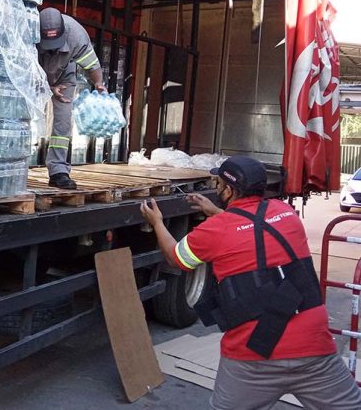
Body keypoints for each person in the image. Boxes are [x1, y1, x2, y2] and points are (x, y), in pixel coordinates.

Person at [139, 155, 361, 409]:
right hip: (314, 348)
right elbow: (253, 224)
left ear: (229, 190)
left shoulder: (216, 230)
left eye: (220, 185)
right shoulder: (286, 214)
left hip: (252, 356)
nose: (217, 189)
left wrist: (156, 223)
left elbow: (177, 258)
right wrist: (217, 212)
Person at [37, 7, 105, 189]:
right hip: (33, 75)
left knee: (63, 122)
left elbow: (92, 64)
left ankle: (58, 171)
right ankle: (13, 166)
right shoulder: (28, 31)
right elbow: (20, 70)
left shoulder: (76, 35)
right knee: (22, 117)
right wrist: (46, 87)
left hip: (63, 76)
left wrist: (98, 84)